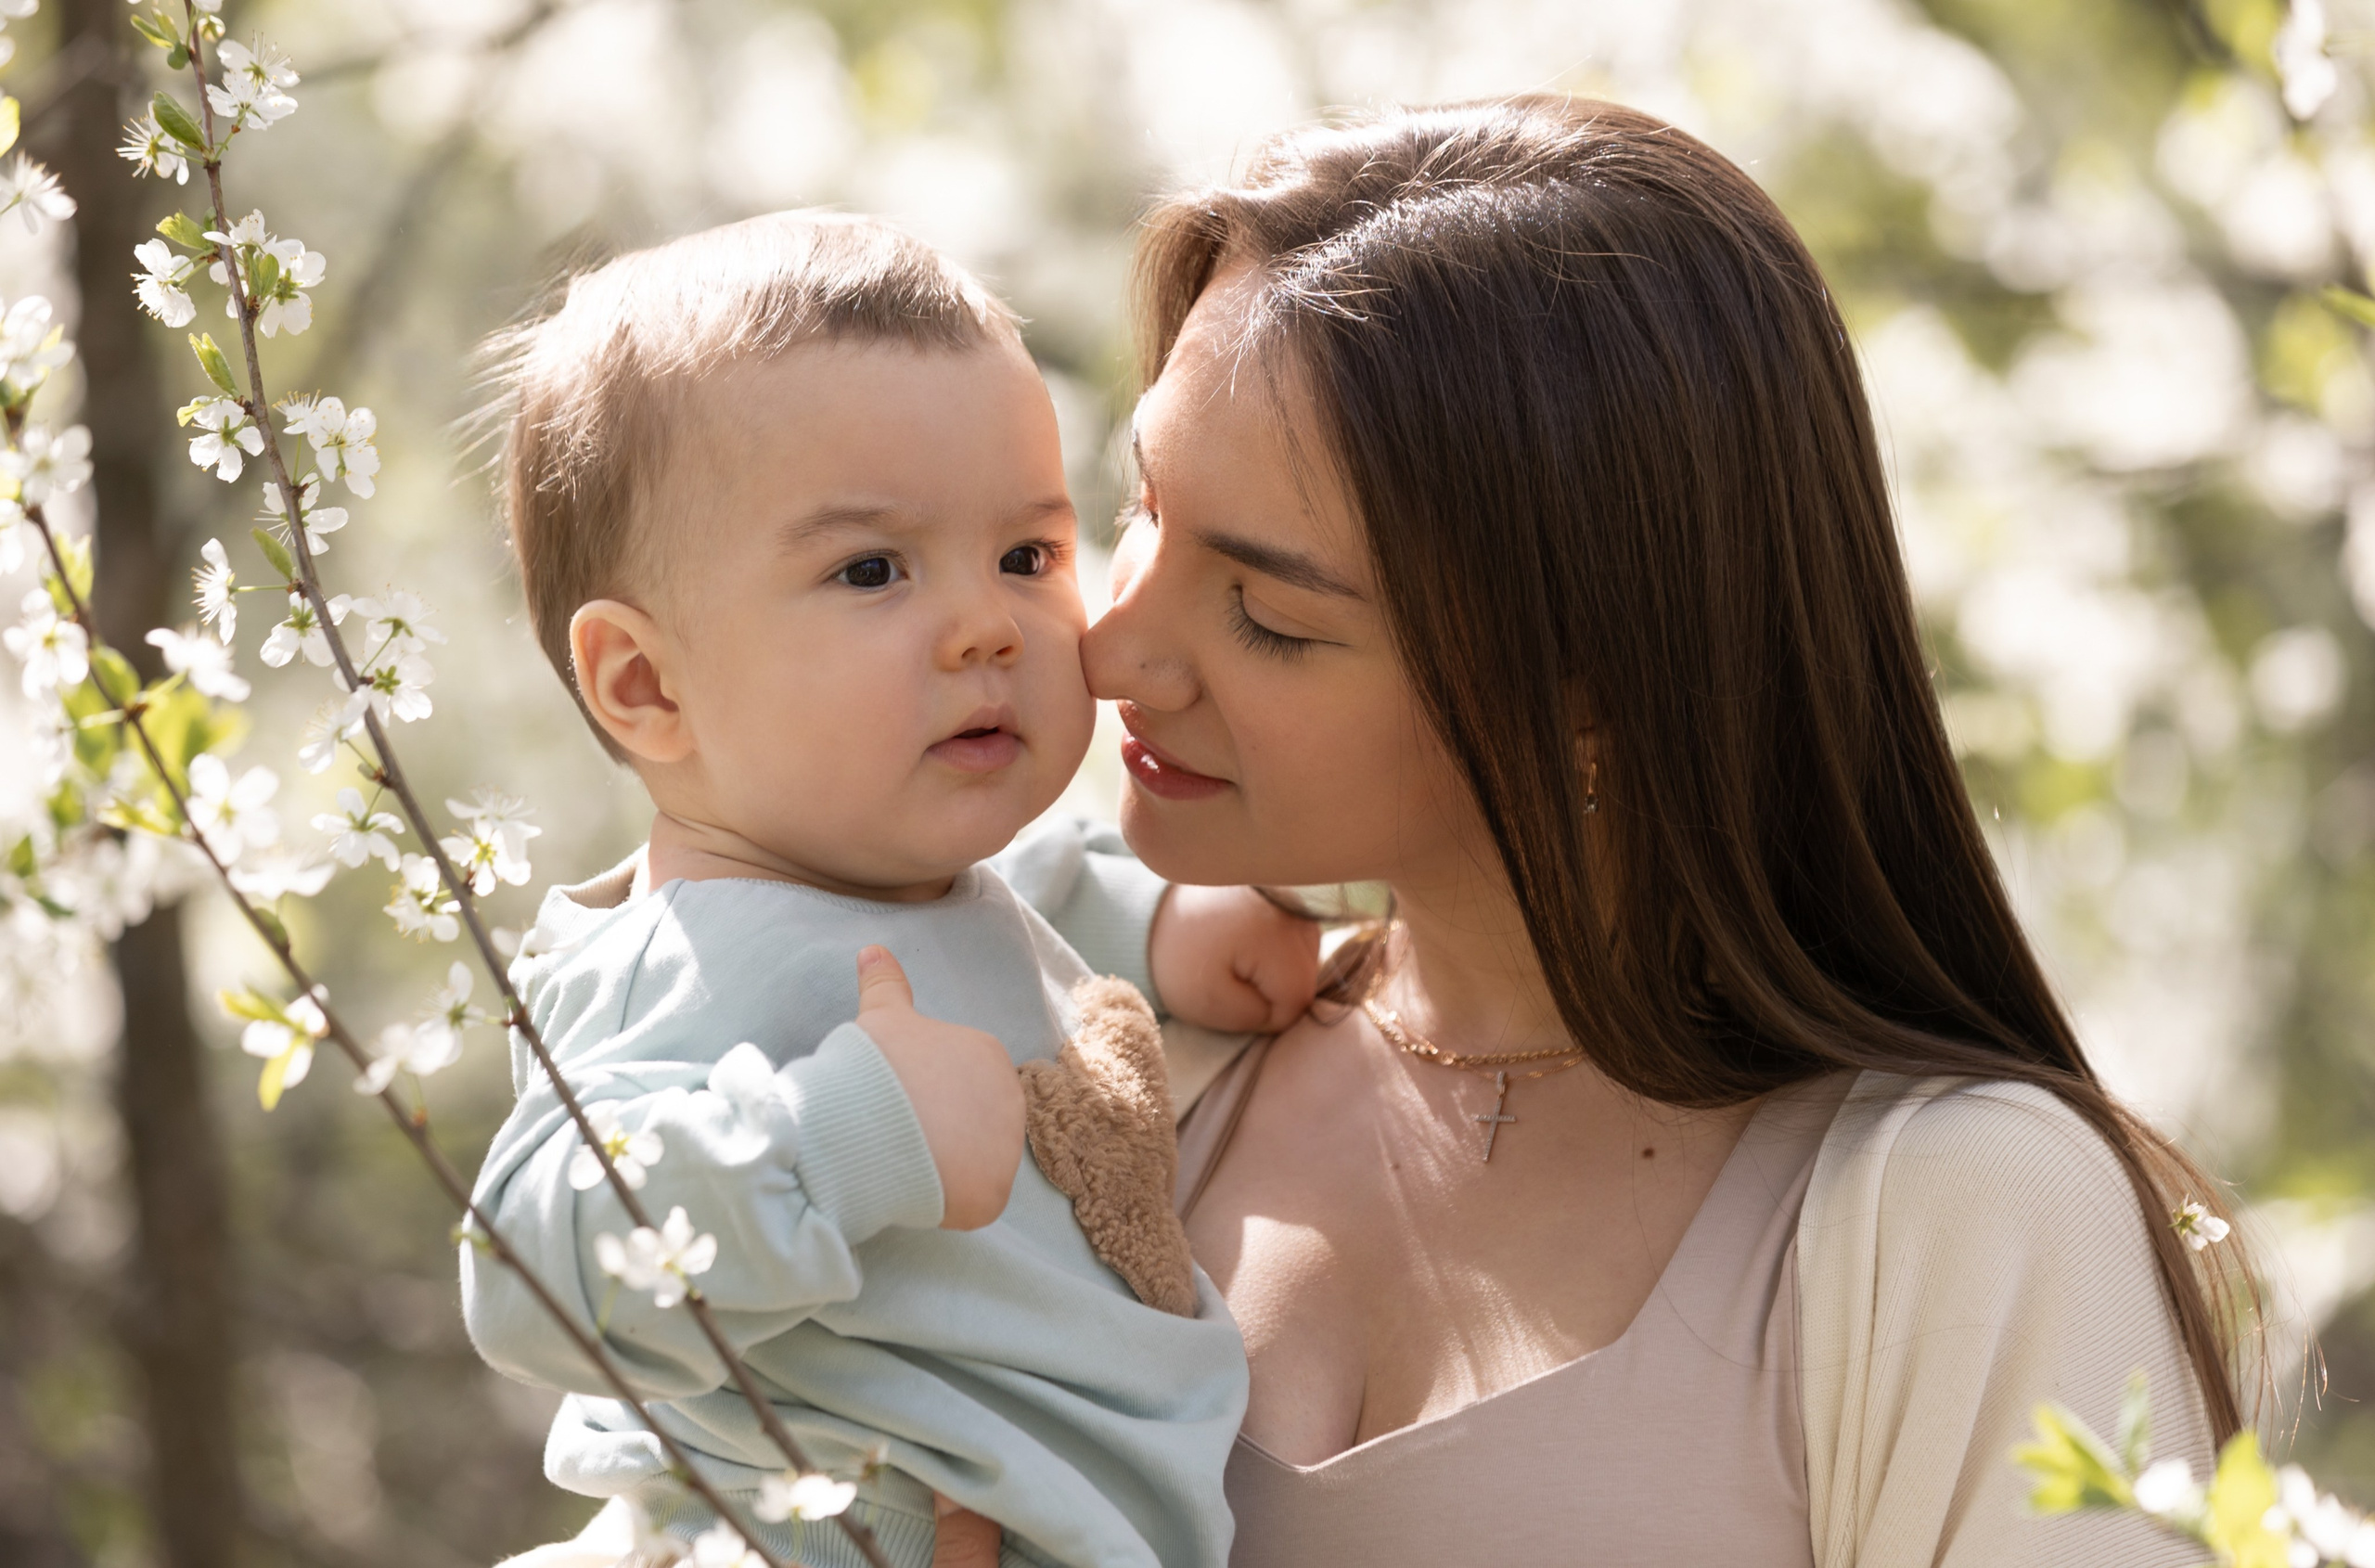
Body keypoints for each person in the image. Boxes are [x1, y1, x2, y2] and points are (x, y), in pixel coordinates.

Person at [923, 96, 2254, 1566]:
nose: (1107, 650)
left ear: (1598, 694)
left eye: (1267, 613)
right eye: (1141, 502)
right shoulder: (1113, 1052)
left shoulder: (1969, 1215)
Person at [458, 212, 1320, 1568]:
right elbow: (527, 1270)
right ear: (646, 684)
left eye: (1027, 557)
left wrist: (1164, 925)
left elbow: (1018, 895)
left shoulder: (920, 875)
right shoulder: (678, 962)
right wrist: (841, 1135)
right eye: (872, 569)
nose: (988, 624)